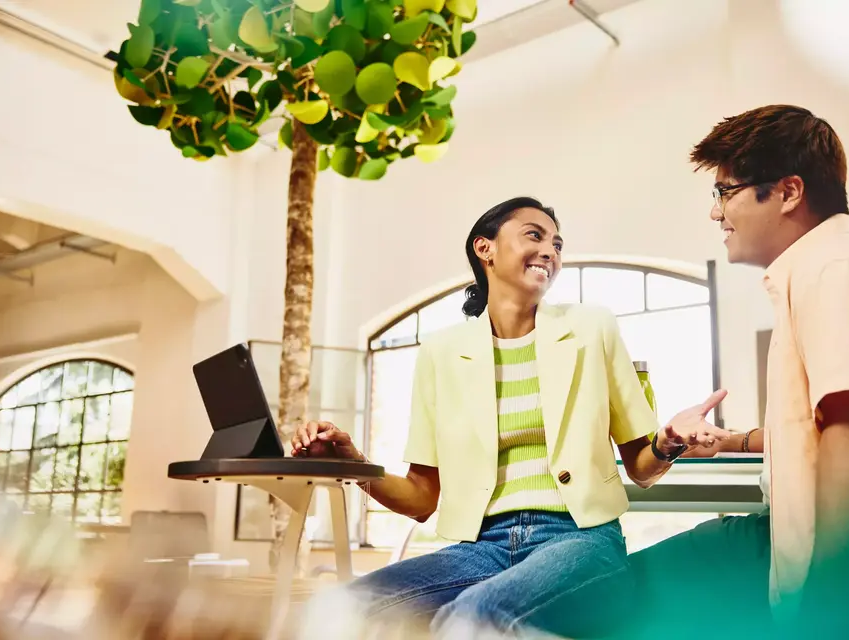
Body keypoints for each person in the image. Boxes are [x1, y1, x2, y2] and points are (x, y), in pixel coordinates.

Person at [291, 196, 731, 639]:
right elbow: (422, 498)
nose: (551, 252)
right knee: (338, 607)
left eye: (557, 244)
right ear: (486, 249)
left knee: (473, 617)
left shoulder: (591, 328)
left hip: (580, 539)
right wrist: (353, 463)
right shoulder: (442, 353)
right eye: (534, 236)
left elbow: (640, 466)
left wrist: (668, 441)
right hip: (480, 548)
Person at [631, 104, 849, 639]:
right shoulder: (823, 271)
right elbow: (826, 426)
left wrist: (825, 615)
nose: (715, 213)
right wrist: (730, 441)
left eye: (725, 192)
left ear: (789, 192)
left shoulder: (837, 268)